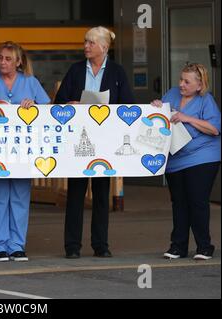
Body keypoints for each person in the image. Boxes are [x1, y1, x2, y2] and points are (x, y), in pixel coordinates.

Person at [54, 26, 134, 259]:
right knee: (76, 194)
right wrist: (72, 103)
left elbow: (128, 104)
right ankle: (72, 247)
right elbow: (58, 102)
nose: (85, 46)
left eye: (90, 42)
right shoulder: (76, 69)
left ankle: (101, 245)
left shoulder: (117, 72)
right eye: (85, 42)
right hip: (78, 139)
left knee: (101, 194)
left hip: (105, 140)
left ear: (104, 47)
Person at [0, 41, 50, 262]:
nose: (2, 62)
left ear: (18, 62)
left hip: (22, 151)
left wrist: (35, 106)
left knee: (19, 197)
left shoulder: (30, 82)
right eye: (0, 58)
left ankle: (17, 245)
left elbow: (48, 109)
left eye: (8, 58)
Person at [151, 63, 220, 260]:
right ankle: (178, 247)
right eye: (180, 79)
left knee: (197, 201)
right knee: (179, 202)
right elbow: (162, 117)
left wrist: (187, 118)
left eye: (186, 81)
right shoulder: (172, 94)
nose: (181, 84)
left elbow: (214, 129)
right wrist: (157, 107)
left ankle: (204, 247)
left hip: (202, 156)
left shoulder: (206, 100)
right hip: (175, 157)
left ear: (199, 85)